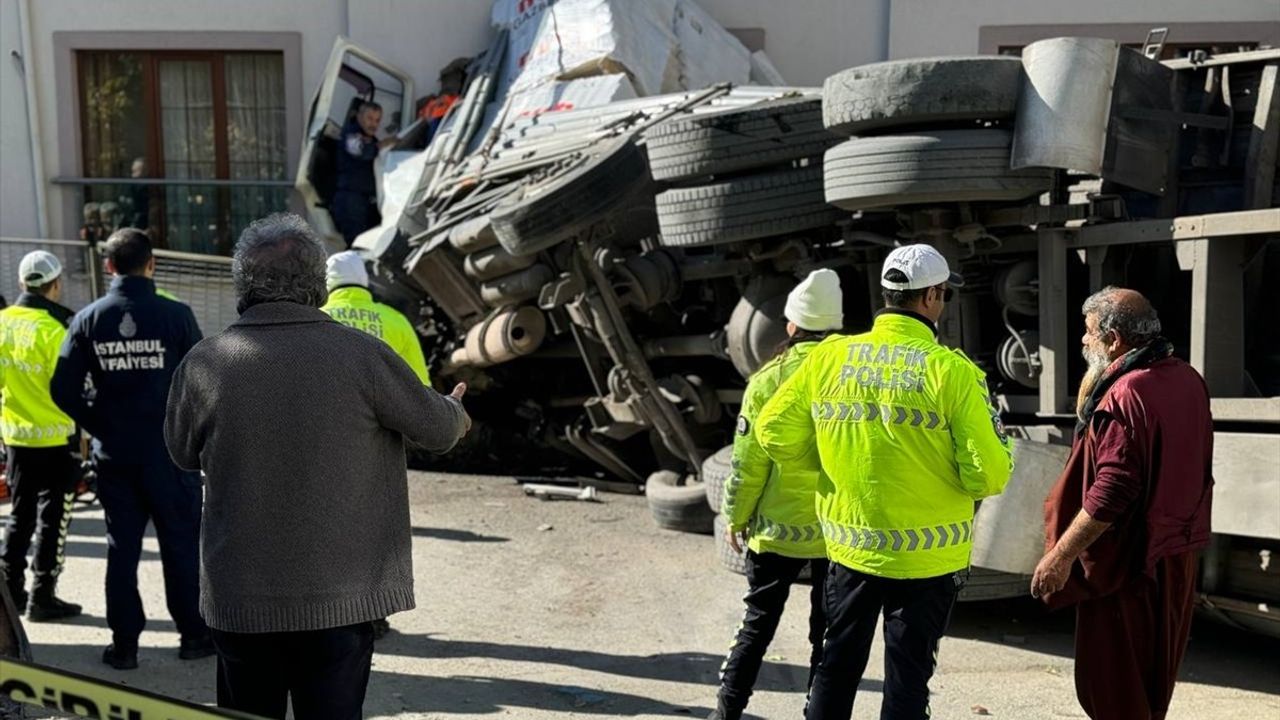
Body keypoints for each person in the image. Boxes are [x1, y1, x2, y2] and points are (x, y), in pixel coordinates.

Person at [164, 213, 470, 719]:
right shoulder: (363, 356)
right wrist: (456, 410)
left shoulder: (206, 362)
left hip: (241, 597)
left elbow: (179, 451)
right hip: (340, 601)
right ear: (317, 286)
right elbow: (438, 430)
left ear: (243, 284)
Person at [756, 244, 1013, 720]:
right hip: (928, 559)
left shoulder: (830, 358)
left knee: (835, 667)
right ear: (933, 297)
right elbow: (990, 473)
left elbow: (772, 431)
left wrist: (833, 464)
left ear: (888, 294)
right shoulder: (953, 372)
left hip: (850, 547)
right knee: (908, 680)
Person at [1033, 287, 1213, 720]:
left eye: (1089, 332)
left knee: (1113, 691)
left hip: (1128, 567)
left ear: (1114, 340)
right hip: (1174, 555)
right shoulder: (1186, 378)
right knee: (1150, 687)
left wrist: (1061, 556)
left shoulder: (1125, 394)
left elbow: (1113, 488)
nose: (1082, 341)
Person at [50, 229, 211, 670]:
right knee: (180, 546)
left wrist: (102, 425)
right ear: (152, 264)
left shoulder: (88, 319)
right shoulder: (176, 316)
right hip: (171, 455)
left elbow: (62, 388)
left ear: (108, 266)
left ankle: (124, 647)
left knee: (122, 549)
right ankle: (194, 636)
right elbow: (202, 380)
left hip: (116, 456)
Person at [711, 269, 842, 720]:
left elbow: (749, 462)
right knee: (827, 634)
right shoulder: (846, 373)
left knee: (757, 626)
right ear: (836, 326)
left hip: (776, 531)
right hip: (837, 532)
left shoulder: (767, 380)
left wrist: (735, 516)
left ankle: (726, 713)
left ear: (790, 326)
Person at [0, 251, 83, 622]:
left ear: (21, 283)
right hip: (56, 441)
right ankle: (42, 596)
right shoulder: (56, 329)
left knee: (19, 517)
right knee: (54, 519)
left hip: (16, 438)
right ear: (55, 284)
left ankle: (10, 594)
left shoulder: (2, 323)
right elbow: (73, 390)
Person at [321, 250, 431, 386]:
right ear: (364, 278)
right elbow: (420, 382)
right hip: (387, 404)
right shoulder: (395, 318)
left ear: (326, 282)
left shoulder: (316, 318)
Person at [333, 101, 392, 246]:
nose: (374, 124)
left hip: (367, 202)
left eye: (377, 120)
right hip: (351, 201)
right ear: (359, 117)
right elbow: (362, 151)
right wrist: (381, 145)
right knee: (357, 247)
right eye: (370, 118)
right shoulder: (351, 134)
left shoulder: (372, 140)